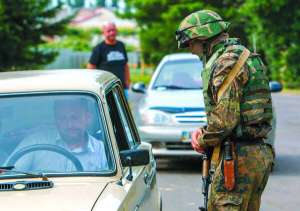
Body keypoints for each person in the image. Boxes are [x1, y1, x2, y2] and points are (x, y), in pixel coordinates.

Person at [176, 10, 274, 210]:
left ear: (203, 38)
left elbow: (225, 120)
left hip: (237, 160)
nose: (190, 50)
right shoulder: (245, 56)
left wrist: (202, 138)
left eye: (190, 43)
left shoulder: (225, 63)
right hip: (257, 155)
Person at [7, 98, 108, 172]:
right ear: (56, 120)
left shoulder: (102, 151)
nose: (69, 124)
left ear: (88, 118)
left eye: (74, 117)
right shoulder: (35, 143)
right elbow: (7, 174)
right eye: (62, 118)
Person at [87, 22, 130, 99]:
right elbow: (91, 67)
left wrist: (128, 81)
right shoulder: (99, 48)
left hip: (121, 87)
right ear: (103, 32)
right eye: (109, 31)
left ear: (116, 31)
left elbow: (125, 65)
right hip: (106, 90)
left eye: (113, 30)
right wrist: (93, 85)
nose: (112, 33)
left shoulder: (121, 45)